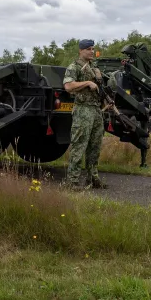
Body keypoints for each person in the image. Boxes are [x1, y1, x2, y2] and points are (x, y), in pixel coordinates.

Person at [62, 39, 108, 190]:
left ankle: (92, 178)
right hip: (83, 110)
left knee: (95, 146)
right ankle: (72, 181)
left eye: (93, 48)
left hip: (96, 110)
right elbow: (68, 86)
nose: (91, 51)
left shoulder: (95, 68)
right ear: (81, 51)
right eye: (88, 49)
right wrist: (87, 83)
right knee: (79, 145)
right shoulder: (74, 66)